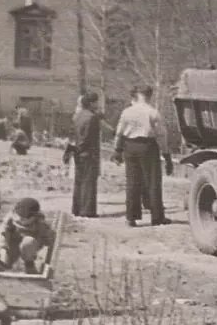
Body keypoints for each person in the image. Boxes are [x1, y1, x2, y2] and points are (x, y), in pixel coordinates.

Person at [112, 85, 174, 227]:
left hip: (130, 146)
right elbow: (162, 135)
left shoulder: (127, 112)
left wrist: (117, 149)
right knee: (153, 181)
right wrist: (167, 155)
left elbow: (119, 132)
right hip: (147, 146)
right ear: (149, 96)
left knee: (132, 181)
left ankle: (131, 217)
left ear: (137, 95)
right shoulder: (153, 112)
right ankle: (157, 217)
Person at [0, 197, 56, 275]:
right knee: (2, 257)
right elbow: (1, 232)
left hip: (30, 247)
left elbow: (49, 241)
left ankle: (29, 266)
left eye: (25, 218)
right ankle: (2, 267)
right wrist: (1, 247)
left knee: (28, 242)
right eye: (20, 216)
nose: (21, 220)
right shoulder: (10, 219)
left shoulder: (40, 224)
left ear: (34, 216)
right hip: (12, 245)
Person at [69, 91, 102, 218]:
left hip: (78, 152)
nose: (97, 104)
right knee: (89, 182)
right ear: (92, 103)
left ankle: (76, 208)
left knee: (79, 181)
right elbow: (88, 136)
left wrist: (75, 149)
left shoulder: (78, 116)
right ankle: (87, 210)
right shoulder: (92, 117)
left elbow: (74, 134)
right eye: (96, 102)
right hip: (89, 152)